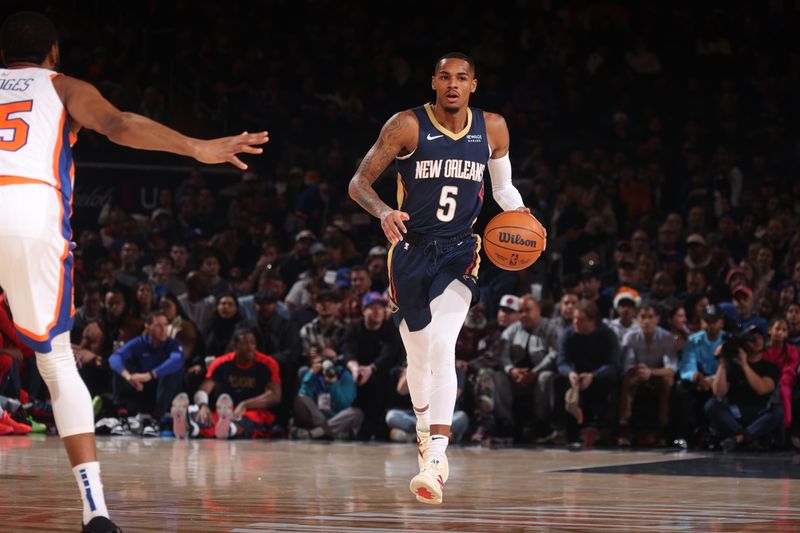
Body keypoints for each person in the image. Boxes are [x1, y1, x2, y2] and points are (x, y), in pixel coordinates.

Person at [0, 11, 267, 533]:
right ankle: (95, 511)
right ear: (53, 52)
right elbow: (119, 125)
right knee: (54, 362)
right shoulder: (64, 86)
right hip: (31, 213)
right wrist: (197, 146)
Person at [348, 52, 539, 504]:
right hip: (411, 251)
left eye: (462, 78)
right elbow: (359, 182)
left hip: (460, 251)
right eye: (445, 77)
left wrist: (521, 213)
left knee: (442, 345)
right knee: (417, 358)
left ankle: (437, 456)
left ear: (474, 84)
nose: (453, 84)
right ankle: (421, 428)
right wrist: (382, 211)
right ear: (434, 81)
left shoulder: (492, 127)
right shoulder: (406, 126)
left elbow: (502, 189)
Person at [171, 328, 281, 440]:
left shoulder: (267, 364)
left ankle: (228, 429)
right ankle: (192, 428)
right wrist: (203, 405)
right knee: (209, 417)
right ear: (235, 347)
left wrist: (246, 404)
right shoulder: (221, 363)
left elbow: (275, 396)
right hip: (226, 408)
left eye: (252, 343)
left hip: (256, 409)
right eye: (244, 343)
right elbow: (203, 390)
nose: (249, 347)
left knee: (247, 419)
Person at [705, 326, 783, 452]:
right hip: (735, 413)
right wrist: (723, 363)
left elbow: (762, 389)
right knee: (711, 405)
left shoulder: (770, 368)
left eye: (759, 337)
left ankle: (738, 439)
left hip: (758, 413)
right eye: (752, 338)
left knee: (777, 412)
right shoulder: (733, 366)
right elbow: (719, 392)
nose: (756, 340)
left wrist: (745, 365)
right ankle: (747, 438)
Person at [107, 312, 184, 435]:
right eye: (158, 325)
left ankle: (156, 421)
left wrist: (150, 375)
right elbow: (114, 358)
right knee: (120, 370)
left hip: (161, 391)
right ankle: (123, 420)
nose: (164, 329)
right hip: (140, 388)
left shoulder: (173, 344)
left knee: (172, 371)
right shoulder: (140, 342)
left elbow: (177, 360)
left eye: (165, 324)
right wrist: (128, 377)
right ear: (147, 327)